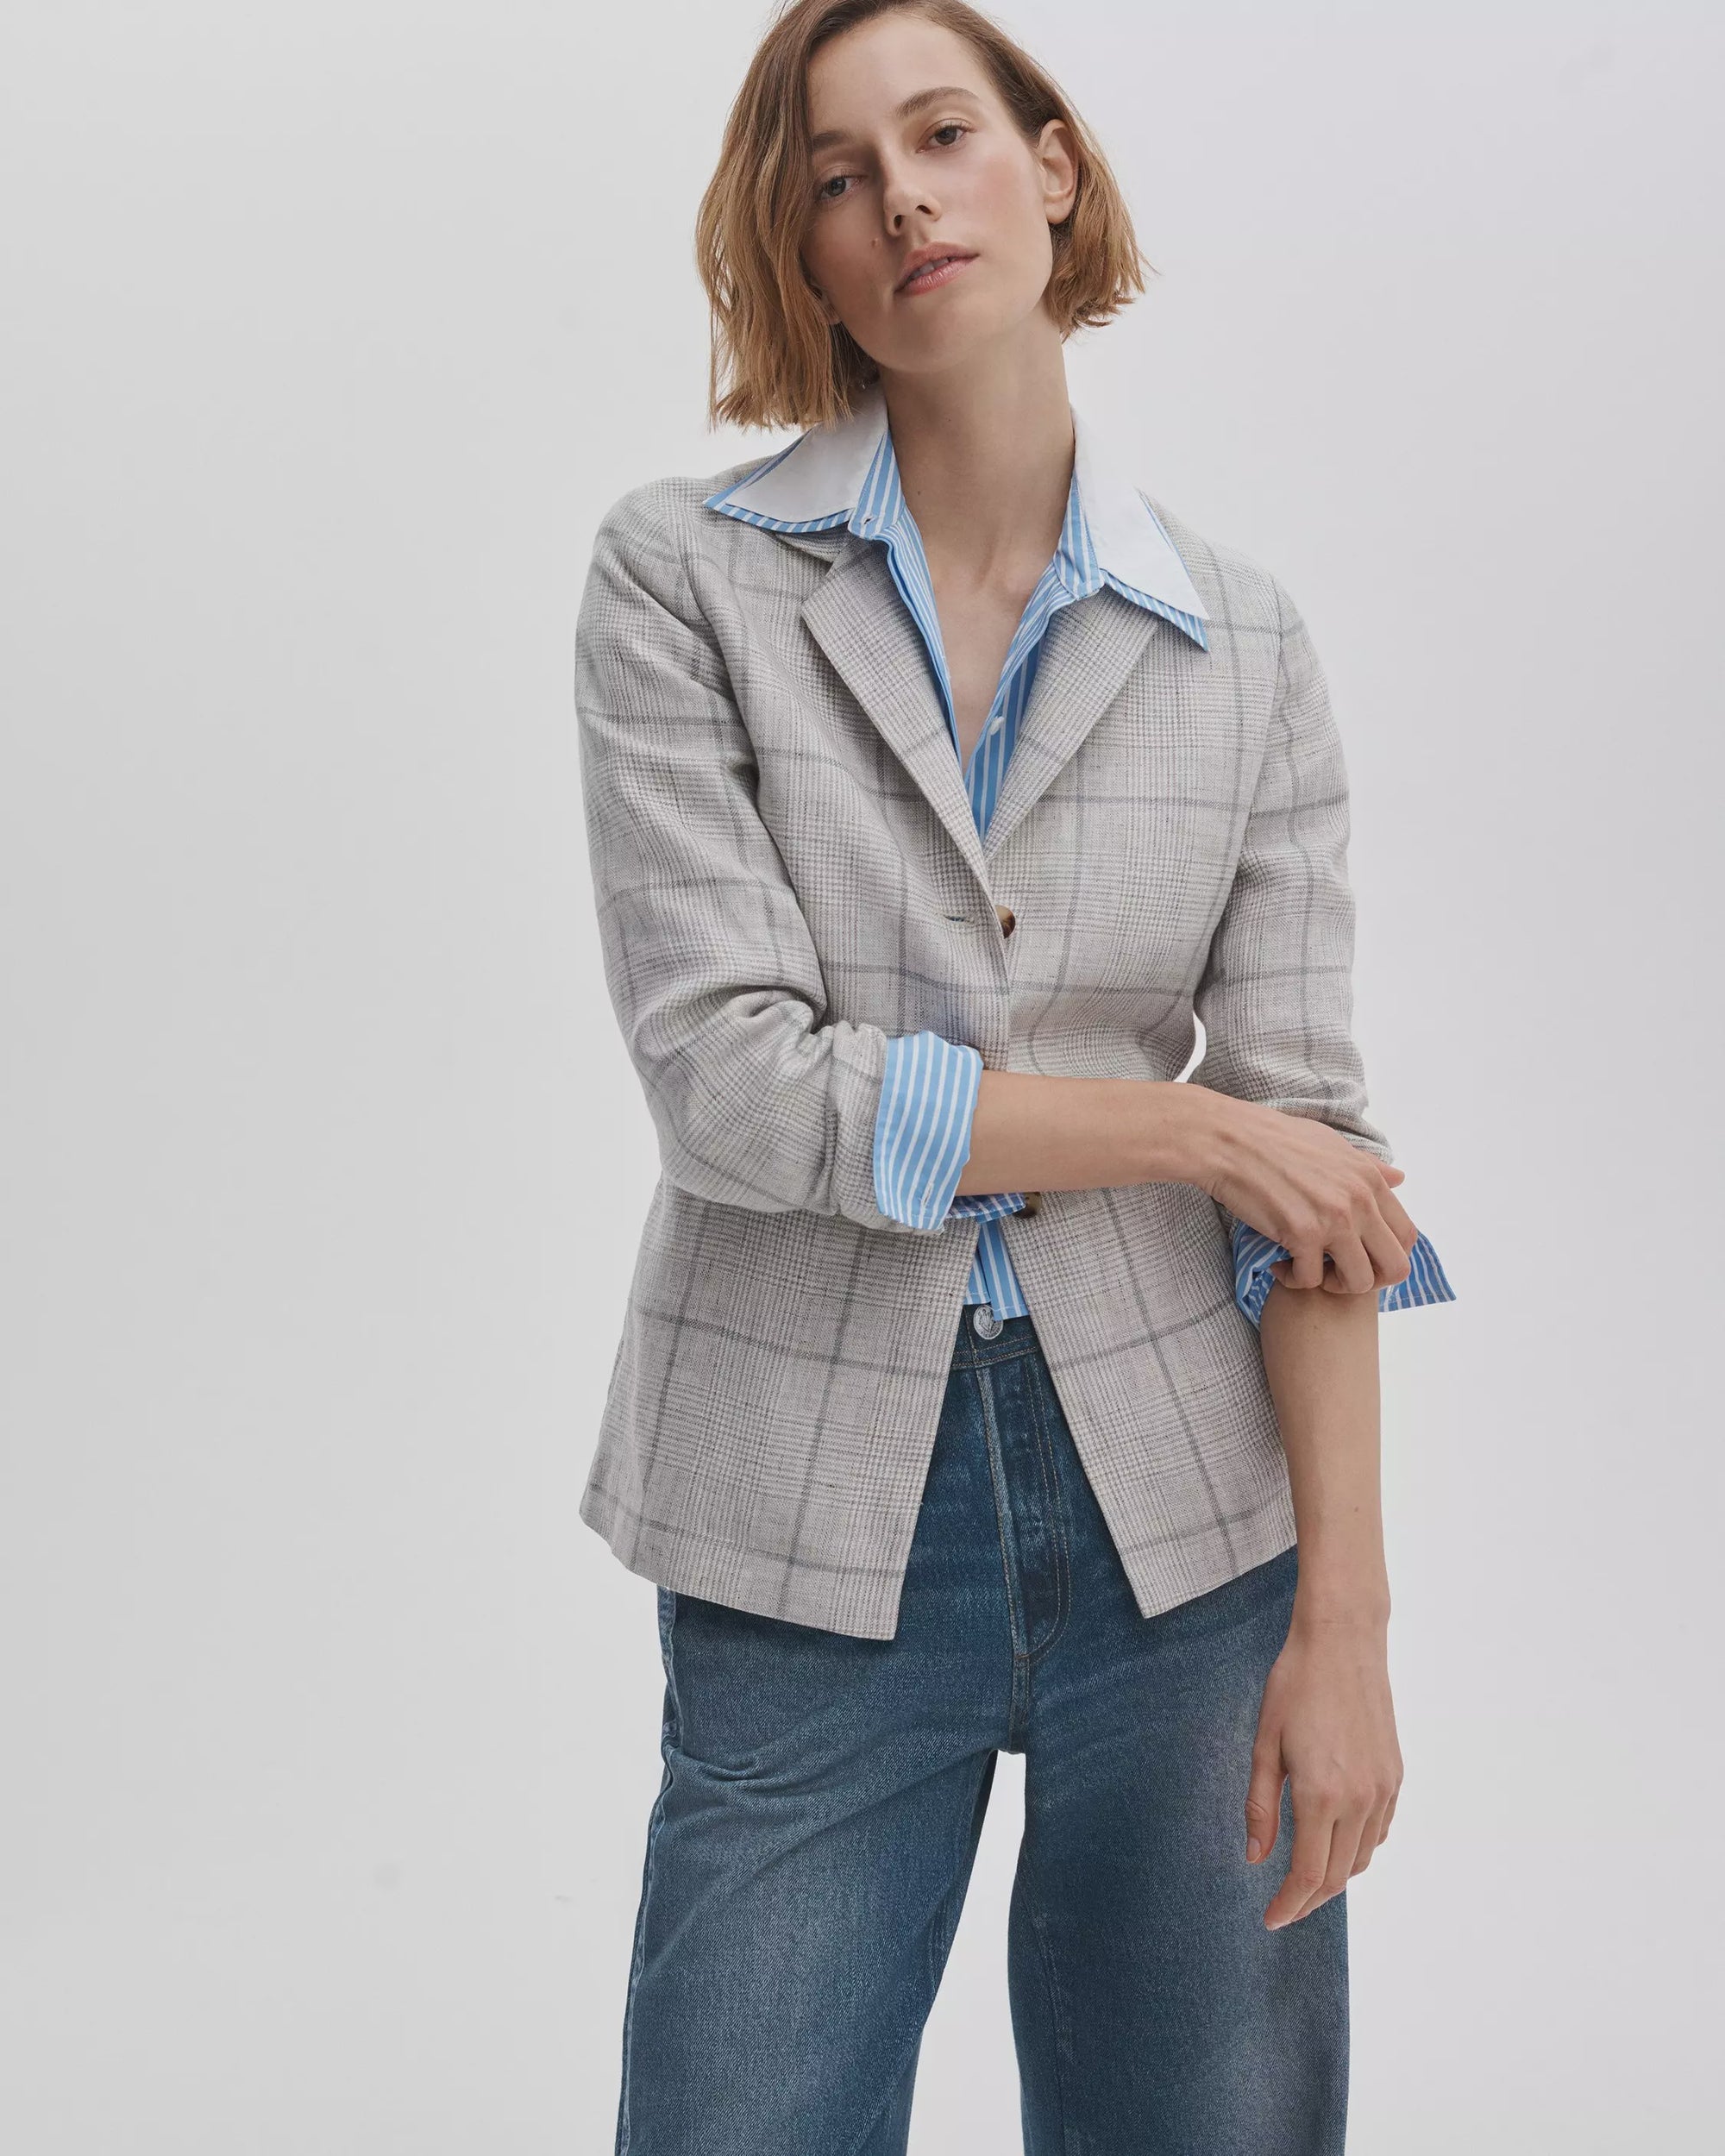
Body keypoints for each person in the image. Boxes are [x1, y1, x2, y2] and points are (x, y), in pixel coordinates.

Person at [572, 3, 1456, 2149]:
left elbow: (1320, 1179)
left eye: (943, 134)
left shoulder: (1239, 644)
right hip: (802, 1516)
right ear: (799, 244)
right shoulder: (682, 582)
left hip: (1188, 1531)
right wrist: (1182, 1128)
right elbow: (739, 1087)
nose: (899, 200)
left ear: (1049, 166)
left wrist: (1341, 1625)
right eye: (834, 172)